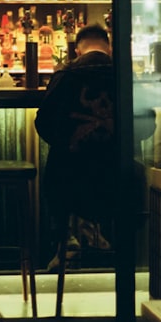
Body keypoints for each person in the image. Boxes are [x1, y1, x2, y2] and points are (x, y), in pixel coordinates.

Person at [34, 24, 117, 264]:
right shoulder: (123, 74)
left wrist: (68, 145)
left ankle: (66, 238)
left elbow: (44, 123)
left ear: (77, 51)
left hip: (68, 179)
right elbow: (147, 124)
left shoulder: (66, 75)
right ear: (109, 48)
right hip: (117, 179)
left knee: (56, 165)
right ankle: (114, 246)